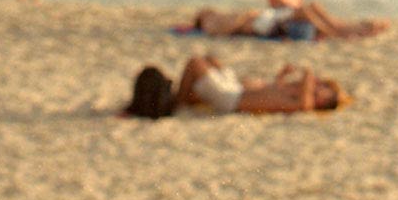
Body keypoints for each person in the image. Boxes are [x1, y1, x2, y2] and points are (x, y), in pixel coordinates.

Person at [120, 57, 349, 117]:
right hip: (236, 89)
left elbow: (305, 102)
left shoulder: (303, 102)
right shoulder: (294, 94)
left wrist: (309, 75)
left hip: (233, 99)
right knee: (210, 59)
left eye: (322, 90)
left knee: (195, 63)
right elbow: (270, 91)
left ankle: (178, 102)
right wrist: (283, 77)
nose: (317, 86)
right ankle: (185, 97)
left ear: (322, 100)